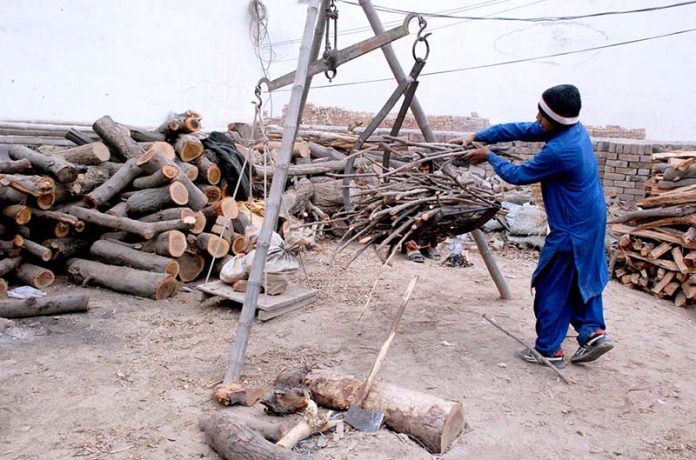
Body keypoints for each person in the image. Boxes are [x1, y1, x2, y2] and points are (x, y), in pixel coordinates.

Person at [462, 84, 613, 369]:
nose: (537, 118)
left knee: (551, 284)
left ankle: (549, 350)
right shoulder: (572, 131)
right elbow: (523, 128)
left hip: (571, 228)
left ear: (555, 119)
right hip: (591, 219)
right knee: (582, 274)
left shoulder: (562, 150)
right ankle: (593, 332)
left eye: (542, 115)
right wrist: (479, 136)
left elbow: (518, 175)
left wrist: (490, 157)